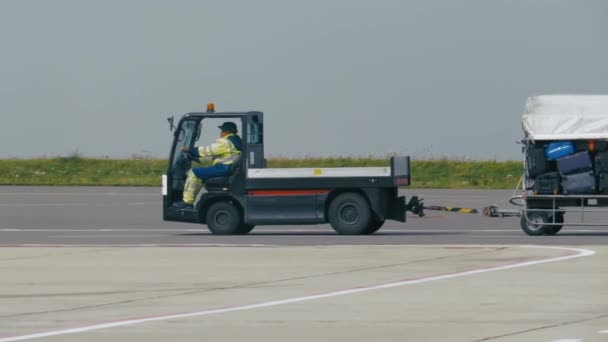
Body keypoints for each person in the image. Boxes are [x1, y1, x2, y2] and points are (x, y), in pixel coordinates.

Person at [172, 121, 242, 209]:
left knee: (194, 172)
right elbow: (217, 156)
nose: (220, 133)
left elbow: (207, 150)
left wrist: (190, 150)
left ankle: (187, 202)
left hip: (224, 168)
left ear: (227, 132)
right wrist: (196, 158)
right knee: (200, 172)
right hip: (226, 168)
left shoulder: (226, 142)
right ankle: (189, 200)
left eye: (222, 131)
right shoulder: (236, 141)